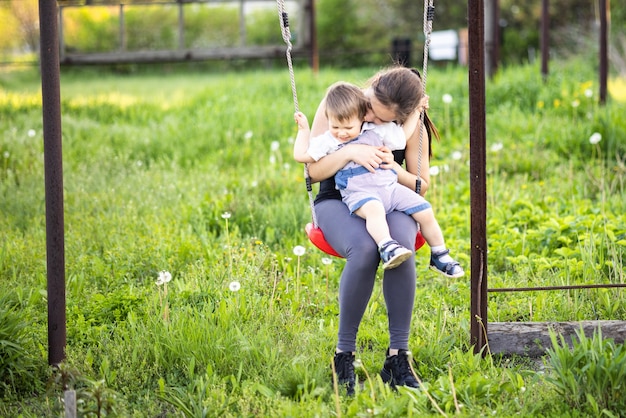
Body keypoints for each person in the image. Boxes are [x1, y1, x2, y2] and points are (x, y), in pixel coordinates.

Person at [299, 66, 456, 396]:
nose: (368, 114)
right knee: (365, 249)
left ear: (401, 117)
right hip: (337, 199)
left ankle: (398, 359)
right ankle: (343, 356)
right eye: (370, 106)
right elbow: (311, 172)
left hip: (388, 195)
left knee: (402, 244)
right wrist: (350, 152)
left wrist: (392, 167)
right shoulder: (340, 100)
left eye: (380, 116)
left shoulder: (411, 128)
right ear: (373, 88)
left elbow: (420, 185)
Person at [293, 81, 464, 275]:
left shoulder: (377, 129)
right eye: (335, 126)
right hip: (359, 192)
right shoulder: (329, 140)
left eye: (348, 127)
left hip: (389, 188)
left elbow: (402, 136)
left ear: (361, 118)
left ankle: (439, 253)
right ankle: (387, 245)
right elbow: (303, 157)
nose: (341, 132)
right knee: (374, 210)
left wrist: (417, 112)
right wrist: (303, 131)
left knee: (424, 209)